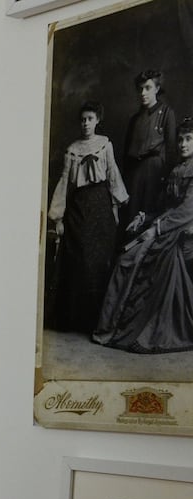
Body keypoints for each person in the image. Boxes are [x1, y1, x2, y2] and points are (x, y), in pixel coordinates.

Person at [93, 117, 193, 353]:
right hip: (165, 224)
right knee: (125, 259)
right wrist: (145, 217)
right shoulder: (176, 169)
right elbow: (164, 206)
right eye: (180, 140)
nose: (183, 144)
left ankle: (124, 328)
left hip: (180, 228)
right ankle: (111, 326)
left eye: (189, 139)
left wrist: (156, 229)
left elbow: (187, 210)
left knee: (132, 260)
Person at [47, 100, 128, 334]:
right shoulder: (72, 150)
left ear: (97, 120)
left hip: (101, 206)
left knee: (99, 260)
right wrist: (58, 217)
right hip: (79, 208)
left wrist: (115, 208)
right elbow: (64, 183)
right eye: (83, 119)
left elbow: (112, 174)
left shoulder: (105, 145)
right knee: (80, 259)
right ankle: (76, 319)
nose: (85, 123)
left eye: (90, 119)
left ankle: (97, 321)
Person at [121, 69, 177, 232]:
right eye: (140, 89)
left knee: (148, 217)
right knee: (130, 218)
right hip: (134, 176)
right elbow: (126, 154)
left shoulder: (166, 113)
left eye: (148, 88)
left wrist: (167, 178)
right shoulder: (135, 119)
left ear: (157, 89)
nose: (143, 93)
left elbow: (171, 150)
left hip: (155, 174)